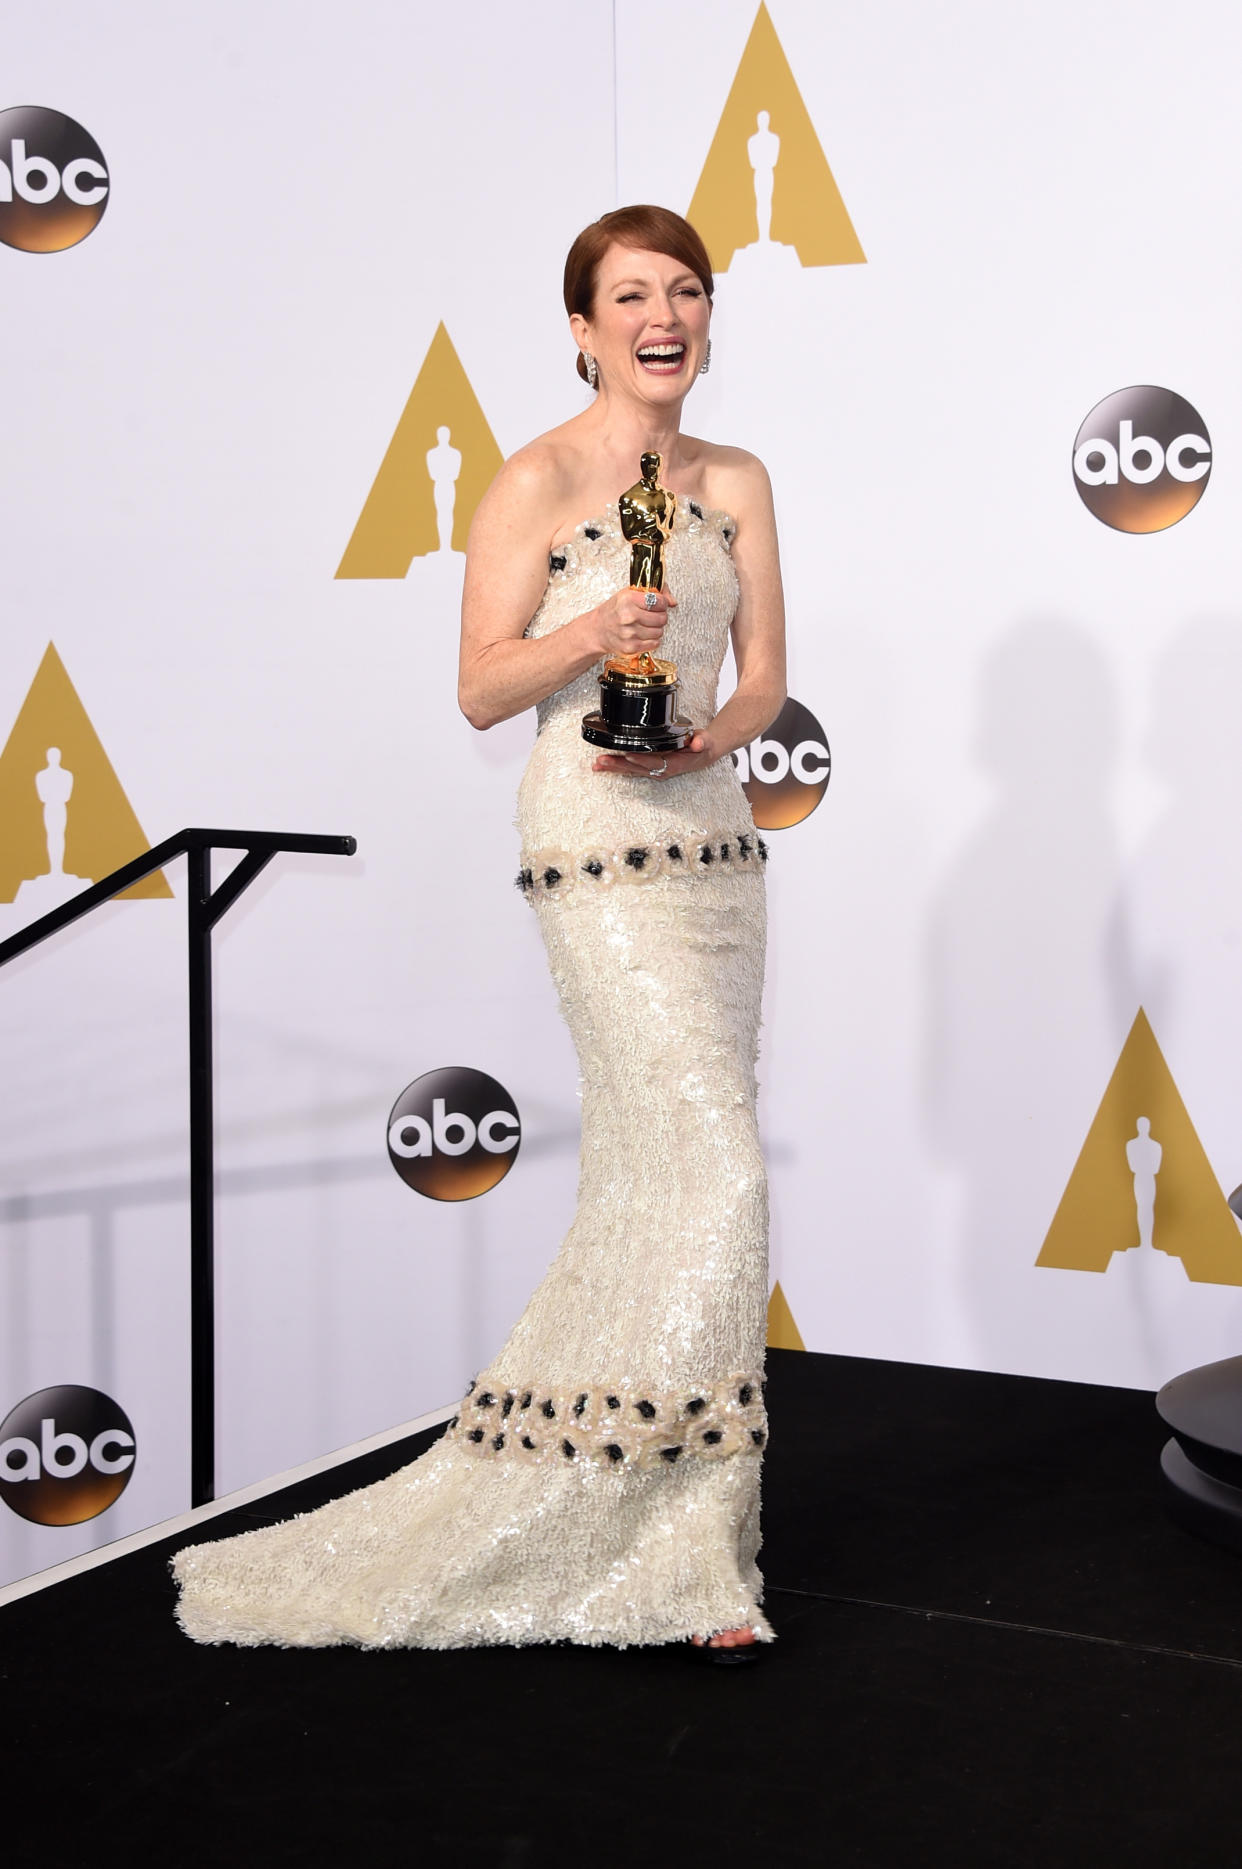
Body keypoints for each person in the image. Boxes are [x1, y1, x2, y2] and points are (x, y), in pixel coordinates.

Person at [171, 204, 787, 1659]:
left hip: (712, 842)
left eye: (684, 290)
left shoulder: (740, 479)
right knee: (716, 1165)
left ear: (705, 319)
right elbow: (476, 687)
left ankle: (690, 1530)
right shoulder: (531, 480)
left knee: (661, 1175)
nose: (663, 313)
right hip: (592, 848)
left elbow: (767, 681)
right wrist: (592, 634)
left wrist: (708, 727)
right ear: (582, 328)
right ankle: (672, 1539)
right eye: (630, 293)